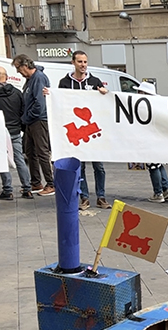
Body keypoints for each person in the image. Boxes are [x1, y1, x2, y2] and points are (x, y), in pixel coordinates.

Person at [57, 50, 112, 210]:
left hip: (93, 132)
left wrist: (104, 93)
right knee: (80, 166)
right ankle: (85, 197)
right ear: (73, 62)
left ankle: (101, 197)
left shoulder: (95, 81)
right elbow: (60, 101)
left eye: (85, 62)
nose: (83, 65)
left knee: (99, 167)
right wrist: (49, 95)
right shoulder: (65, 82)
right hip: (76, 132)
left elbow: (105, 104)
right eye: (80, 62)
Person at [0, 66, 34, 200]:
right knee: (19, 159)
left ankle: (8, 190)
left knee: (2, 161)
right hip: (15, 130)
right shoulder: (17, 93)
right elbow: (23, 111)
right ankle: (27, 188)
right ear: (7, 77)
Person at [12, 54, 54, 196]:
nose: (18, 72)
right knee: (30, 151)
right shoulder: (30, 80)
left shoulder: (38, 78)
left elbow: (39, 104)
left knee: (42, 151)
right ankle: (36, 182)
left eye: (18, 68)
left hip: (39, 120)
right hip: (31, 120)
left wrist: (26, 117)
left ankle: (51, 183)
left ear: (25, 65)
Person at [135, 82, 168, 203]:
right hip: (160, 137)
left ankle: (158, 192)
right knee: (158, 163)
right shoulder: (159, 104)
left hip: (149, 138)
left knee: (153, 165)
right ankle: (166, 188)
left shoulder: (144, 106)